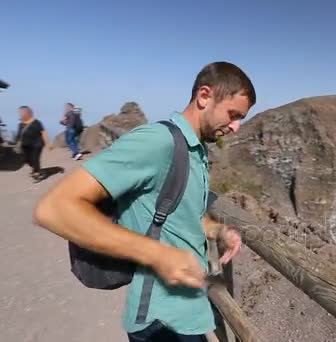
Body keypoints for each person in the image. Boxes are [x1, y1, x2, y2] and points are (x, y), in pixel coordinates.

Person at [34, 61, 256, 342]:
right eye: (233, 114)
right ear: (204, 96)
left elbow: (178, 213)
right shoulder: (156, 142)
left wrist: (219, 231)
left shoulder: (195, 150)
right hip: (160, 321)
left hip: (188, 313)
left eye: (241, 119)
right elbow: (54, 208)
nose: (236, 127)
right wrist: (158, 255)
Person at [15, 106, 51, 182]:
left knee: (35, 158)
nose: (21, 114)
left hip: (37, 144)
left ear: (28, 113)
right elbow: (19, 135)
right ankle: (36, 169)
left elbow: (43, 133)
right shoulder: (21, 124)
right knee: (26, 160)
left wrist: (48, 143)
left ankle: (37, 173)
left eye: (22, 112)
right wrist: (17, 143)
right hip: (25, 145)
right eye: (20, 113)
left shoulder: (37, 122)